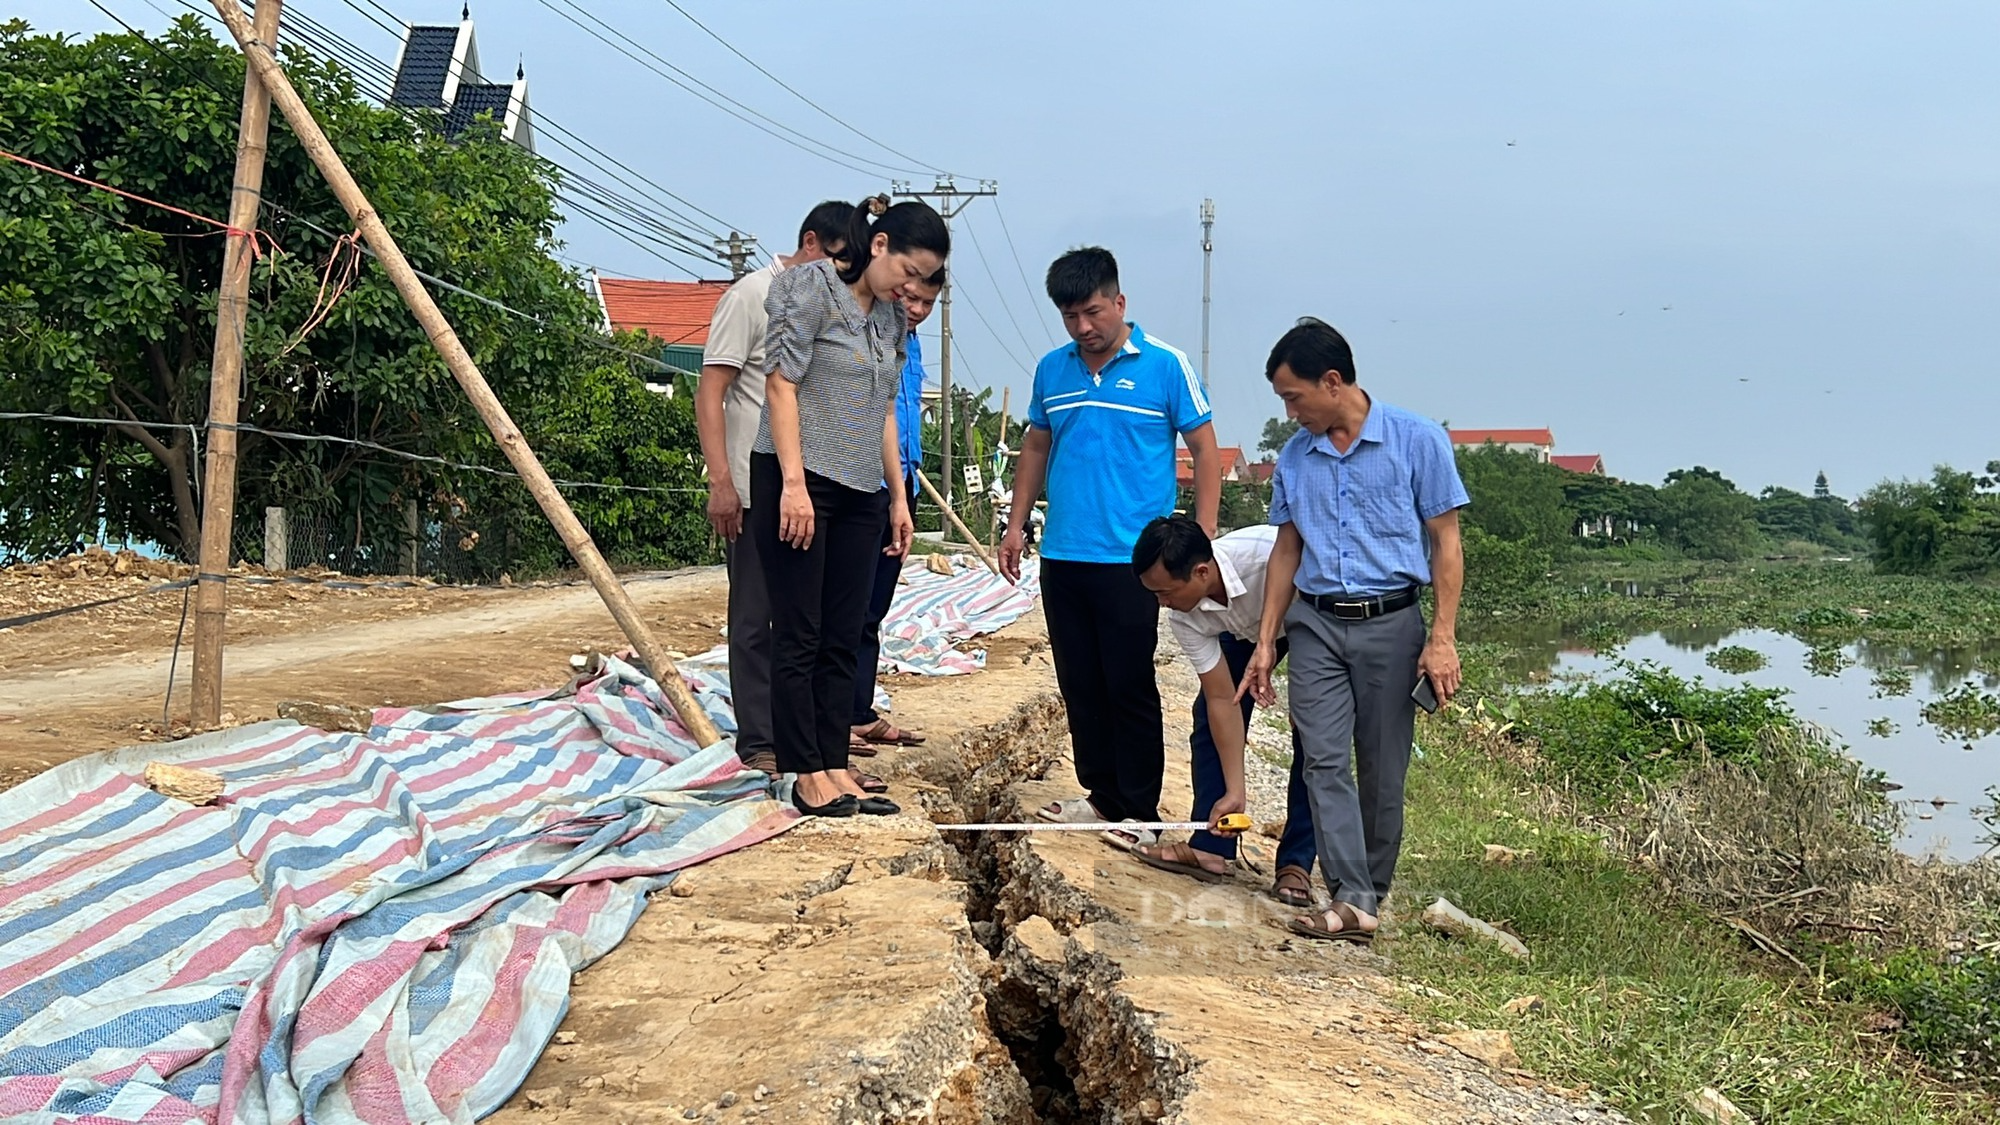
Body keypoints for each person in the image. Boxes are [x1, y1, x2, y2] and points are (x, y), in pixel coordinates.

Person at [1240, 317, 1468, 942]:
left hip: (1392, 623)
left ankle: (1370, 893)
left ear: (1333, 382)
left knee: (1382, 765)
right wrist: (1265, 642)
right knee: (1320, 758)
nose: (1290, 413)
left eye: (1294, 397)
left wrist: (1441, 637)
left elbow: (1446, 542)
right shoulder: (1295, 456)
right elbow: (1287, 549)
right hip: (1314, 623)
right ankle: (1352, 898)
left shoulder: (1418, 441)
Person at [999, 247, 1222, 848]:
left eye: (1093, 312)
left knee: (1127, 681)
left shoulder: (1166, 365)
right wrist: (1017, 523)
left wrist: (1199, 539)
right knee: (1079, 680)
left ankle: (1140, 809)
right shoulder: (1053, 370)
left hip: (1133, 562)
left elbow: (1204, 450)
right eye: (1071, 317)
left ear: (1119, 303)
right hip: (1064, 553)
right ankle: (1101, 797)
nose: (1084, 328)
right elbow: (1037, 448)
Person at [751, 197, 949, 818]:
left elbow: (886, 409)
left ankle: (837, 763)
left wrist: (898, 495)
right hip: (798, 477)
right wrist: (791, 483)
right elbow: (780, 386)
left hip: (863, 487)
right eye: (911, 272)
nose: (913, 289)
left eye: (925, 281)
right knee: (801, 631)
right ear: (881, 244)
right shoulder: (807, 289)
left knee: (844, 631)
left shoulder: (892, 320)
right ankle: (804, 770)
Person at [696, 201, 853, 776]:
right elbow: (711, 391)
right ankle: (759, 740)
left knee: (809, 618)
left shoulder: (829, 309)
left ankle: (805, 738)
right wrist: (723, 482)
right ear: (810, 243)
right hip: (754, 483)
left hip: (812, 489)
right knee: (758, 615)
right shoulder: (751, 296)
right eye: (835, 260)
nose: (840, 274)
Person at [1126, 515, 1318, 906]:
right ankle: (1211, 847)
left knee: (1314, 733)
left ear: (1201, 572)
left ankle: (1296, 864)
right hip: (1243, 632)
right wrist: (1236, 789)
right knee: (1208, 720)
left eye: (1165, 593)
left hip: (1307, 619)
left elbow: (1317, 610)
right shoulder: (1185, 615)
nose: (1161, 605)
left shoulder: (1266, 559)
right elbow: (1221, 698)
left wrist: (1296, 679)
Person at [848, 267, 946, 751]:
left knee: (873, 605)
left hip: (901, 481)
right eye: (912, 298)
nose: (918, 311)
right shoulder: (863, 330)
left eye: (928, 303)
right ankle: (834, 718)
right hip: (862, 481)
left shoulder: (912, 342)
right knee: (846, 603)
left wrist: (905, 493)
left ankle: (858, 711)